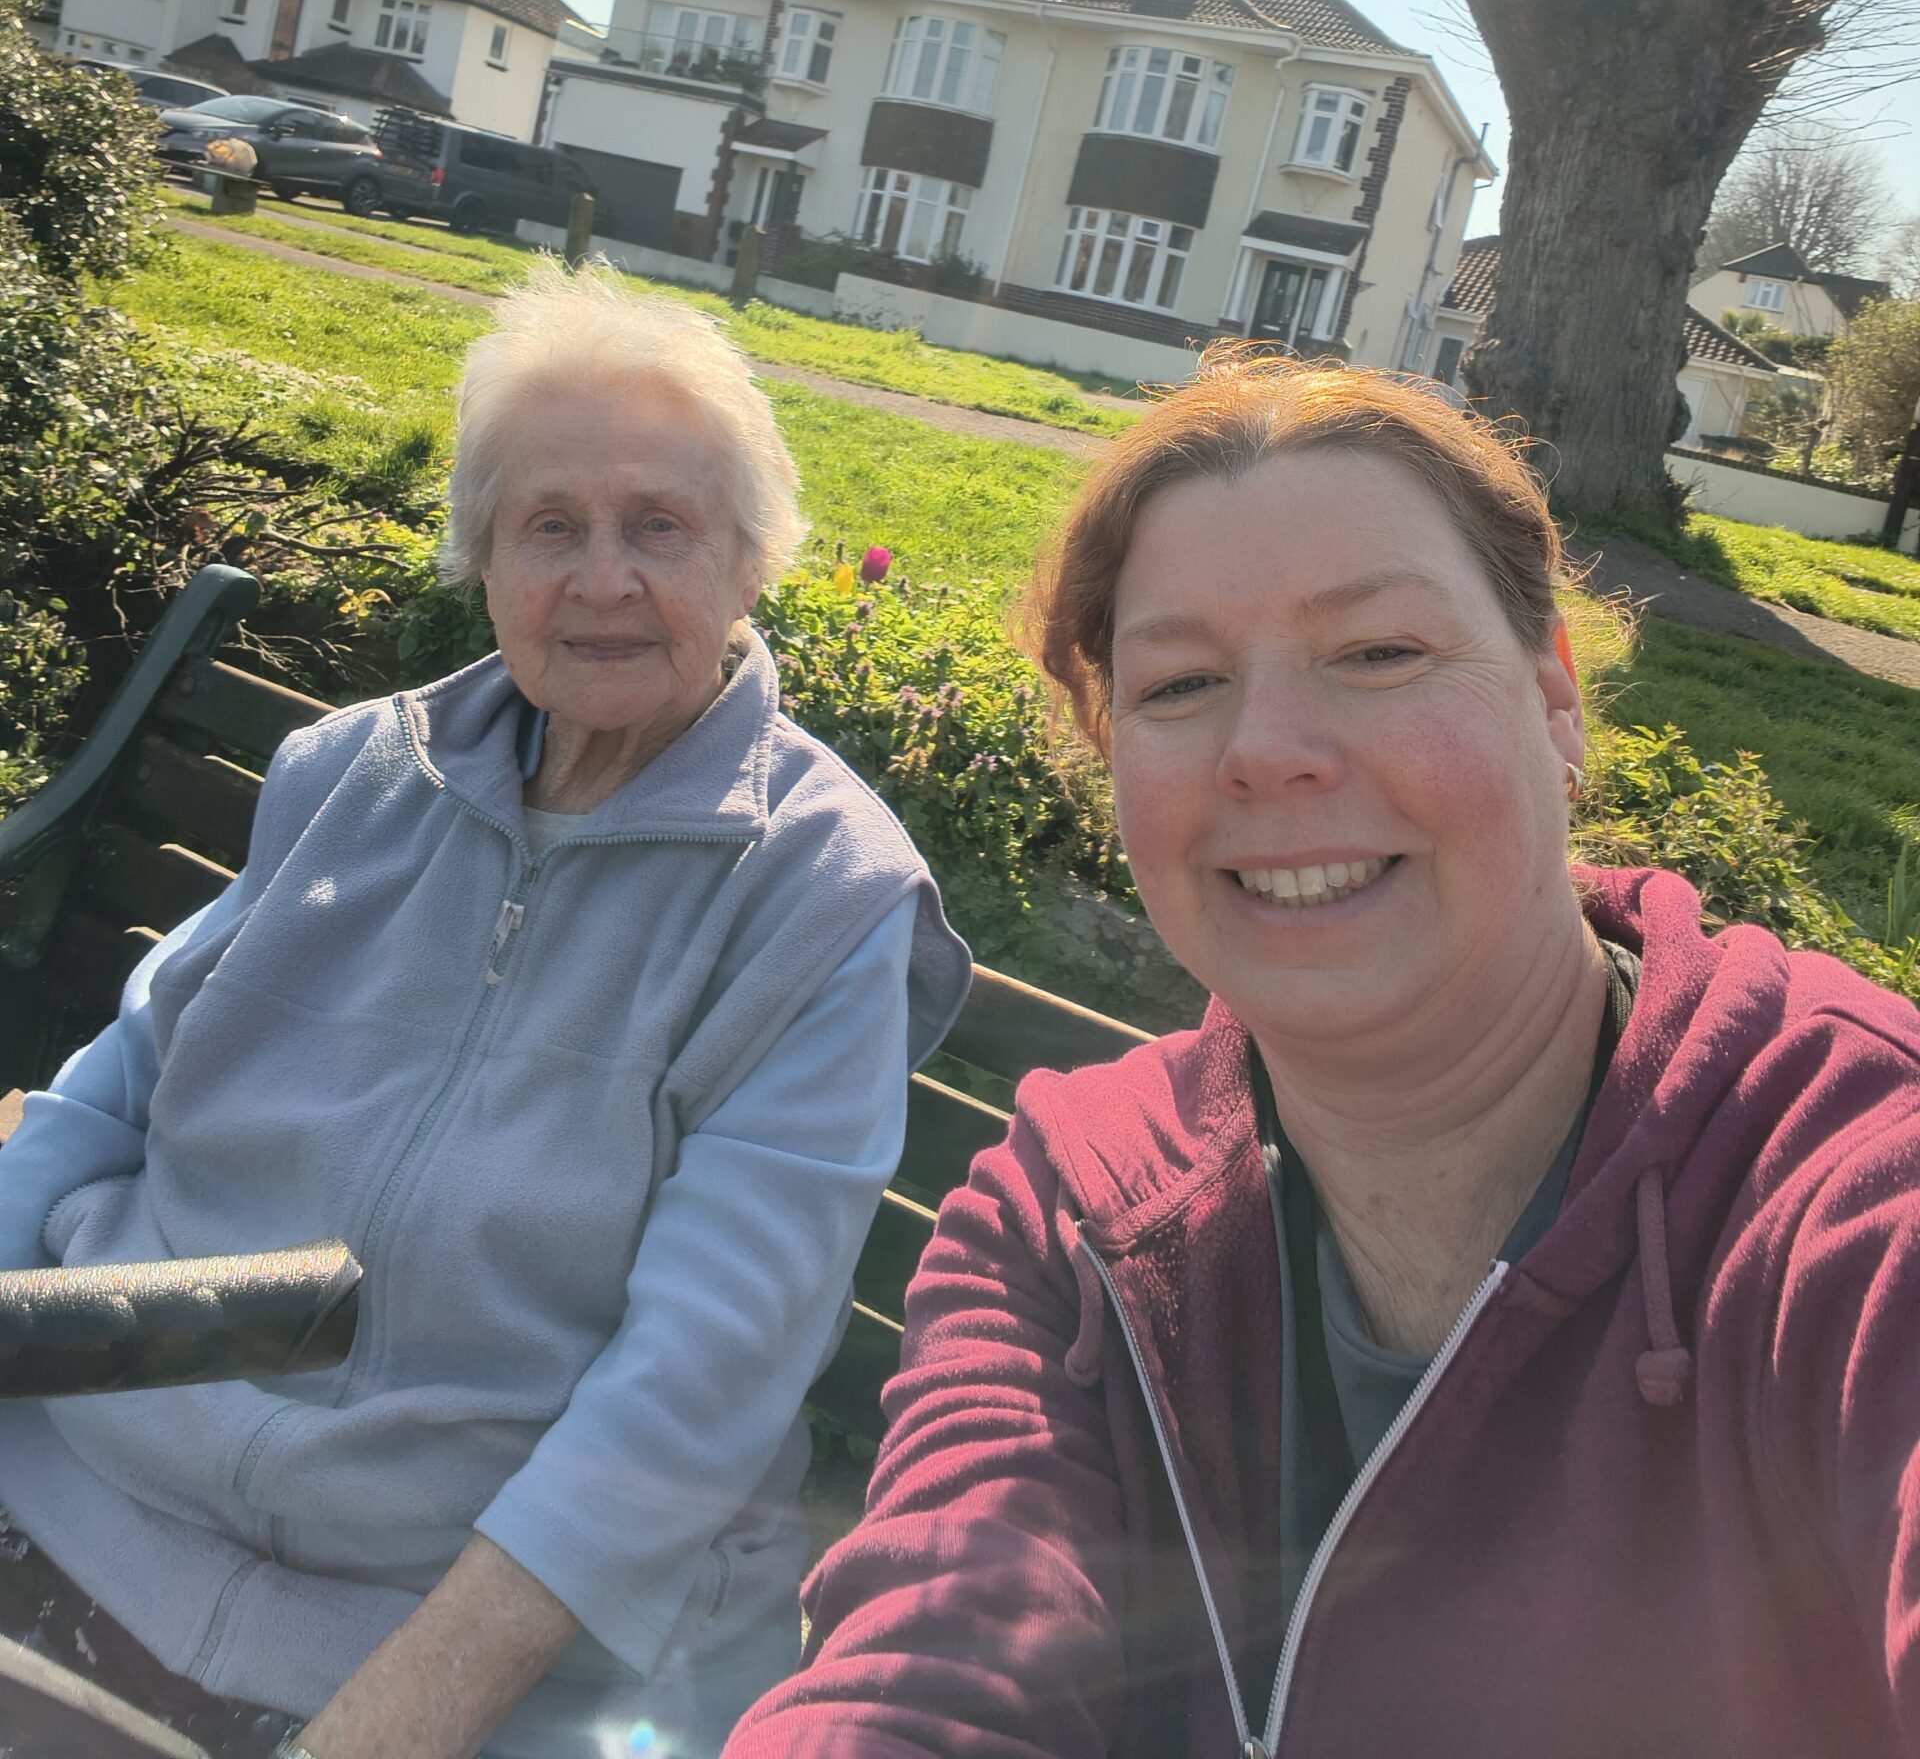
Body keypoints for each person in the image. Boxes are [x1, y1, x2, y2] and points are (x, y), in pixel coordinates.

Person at [726, 346, 1920, 1759]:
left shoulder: (1847, 1186)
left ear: (1554, 700)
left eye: (1379, 653)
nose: (1270, 749)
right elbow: (923, 1670)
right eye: (1179, 686)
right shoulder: (1072, 1208)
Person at [0, 262, 970, 1759]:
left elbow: (697, 1388)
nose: (603, 579)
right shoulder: (347, 777)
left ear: (753, 562)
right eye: (551, 527)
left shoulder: (821, 899)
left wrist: (393, 1724)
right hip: (78, 1493)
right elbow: (101, 1101)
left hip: (454, 1641)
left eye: (661, 527)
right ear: (484, 559)